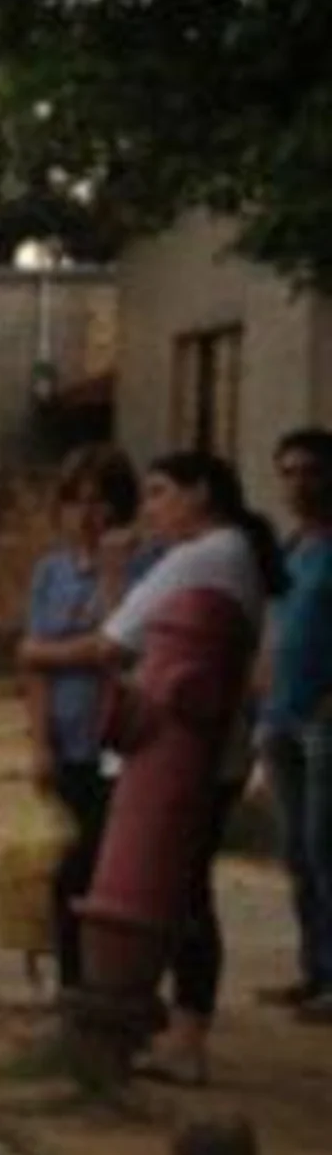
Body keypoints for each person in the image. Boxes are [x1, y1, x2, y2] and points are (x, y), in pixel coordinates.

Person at [24, 451, 280, 1083]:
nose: (152, 510)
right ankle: (160, 1023)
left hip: (178, 748)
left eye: (162, 493)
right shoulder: (227, 555)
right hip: (190, 747)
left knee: (168, 887)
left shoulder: (199, 558)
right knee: (174, 885)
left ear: (202, 495)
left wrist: (39, 650)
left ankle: (164, 1027)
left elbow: (113, 642)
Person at [14, 447, 147, 992]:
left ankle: (111, 983)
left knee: (105, 863)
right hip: (65, 738)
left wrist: (58, 649)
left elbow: (121, 646)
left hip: (118, 738)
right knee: (67, 863)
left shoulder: (143, 567)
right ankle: (72, 983)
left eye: (101, 503)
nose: (88, 516)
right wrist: (40, 743)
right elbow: (30, 660)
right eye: (77, 502)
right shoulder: (51, 571)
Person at [261, 430, 332, 1015]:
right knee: (296, 850)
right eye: (288, 473)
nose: (298, 484)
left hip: (323, 718)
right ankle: (314, 969)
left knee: (324, 844)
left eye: (310, 471)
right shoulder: (290, 549)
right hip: (279, 716)